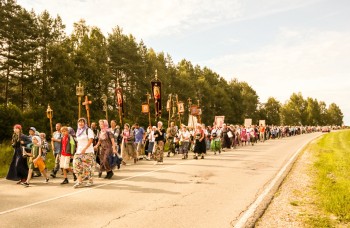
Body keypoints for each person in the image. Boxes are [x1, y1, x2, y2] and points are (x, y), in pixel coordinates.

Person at [73, 118, 95, 188]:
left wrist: (85, 149)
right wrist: (77, 150)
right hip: (79, 152)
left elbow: (90, 140)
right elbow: (78, 142)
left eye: (82, 122)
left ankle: (90, 181)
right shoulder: (78, 131)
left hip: (88, 151)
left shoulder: (88, 130)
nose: (81, 123)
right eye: (79, 122)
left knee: (88, 167)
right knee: (76, 165)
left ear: (85, 123)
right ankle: (80, 181)